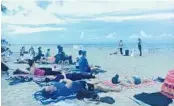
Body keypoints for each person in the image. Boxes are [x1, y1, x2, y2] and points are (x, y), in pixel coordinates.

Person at [41, 78, 122, 99]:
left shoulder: (55, 86)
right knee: (98, 86)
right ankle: (115, 89)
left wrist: (62, 80)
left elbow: (65, 82)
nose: (49, 86)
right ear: (50, 92)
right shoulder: (60, 92)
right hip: (82, 87)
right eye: (48, 87)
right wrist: (64, 80)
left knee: (96, 81)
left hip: (80, 83)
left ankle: (111, 83)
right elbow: (70, 82)